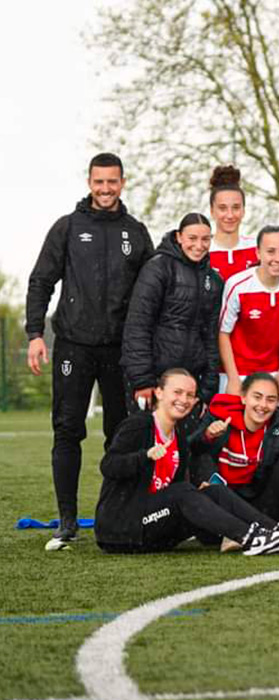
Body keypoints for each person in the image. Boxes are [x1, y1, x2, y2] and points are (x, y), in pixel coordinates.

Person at [27, 152, 155, 551]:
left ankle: (114, 515)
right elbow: (40, 282)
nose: (105, 189)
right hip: (73, 347)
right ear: (89, 182)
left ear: (122, 183)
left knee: (121, 435)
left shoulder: (135, 232)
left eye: (112, 182)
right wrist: (34, 333)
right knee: (67, 429)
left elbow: (152, 291)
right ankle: (67, 522)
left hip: (120, 351)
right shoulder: (67, 228)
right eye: (98, 182)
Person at [95, 368, 279, 555]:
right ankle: (252, 538)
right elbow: (109, 466)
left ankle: (275, 531)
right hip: (122, 529)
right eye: (178, 392)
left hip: (157, 528)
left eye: (190, 395)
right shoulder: (139, 424)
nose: (184, 400)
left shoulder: (179, 436)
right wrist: (144, 456)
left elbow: (175, 486)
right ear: (159, 392)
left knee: (213, 491)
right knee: (184, 492)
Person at [189, 373, 279, 529]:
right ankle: (268, 530)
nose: (263, 405)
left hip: (262, 504)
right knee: (202, 455)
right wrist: (207, 436)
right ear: (244, 397)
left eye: (271, 400)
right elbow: (191, 450)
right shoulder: (218, 416)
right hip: (223, 505)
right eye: (257, 397)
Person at [122, 212, 224, 410]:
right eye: (192, 238)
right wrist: (143, 380)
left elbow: (211, 336)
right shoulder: (157, 268)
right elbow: (138, 325)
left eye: (205, 239)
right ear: (179, 237)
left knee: (185, 441)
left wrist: (208, 388)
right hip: (155, 380)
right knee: (146, 439)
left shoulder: (214, 280)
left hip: (191, 381)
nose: (199, 245)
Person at [217, 226, 279, 402]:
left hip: (272, 373)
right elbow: (223, 333)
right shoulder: (237, 285)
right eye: (271, 252)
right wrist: (233, 379)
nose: (278, 259)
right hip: (237, 372)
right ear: (258, 253)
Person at [205, 165, 257, 281]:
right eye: (222, 208)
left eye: (236, 207)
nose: (230, 215)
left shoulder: (258, 248)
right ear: (212, 211)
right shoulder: (202, 251)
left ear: (243, 210)